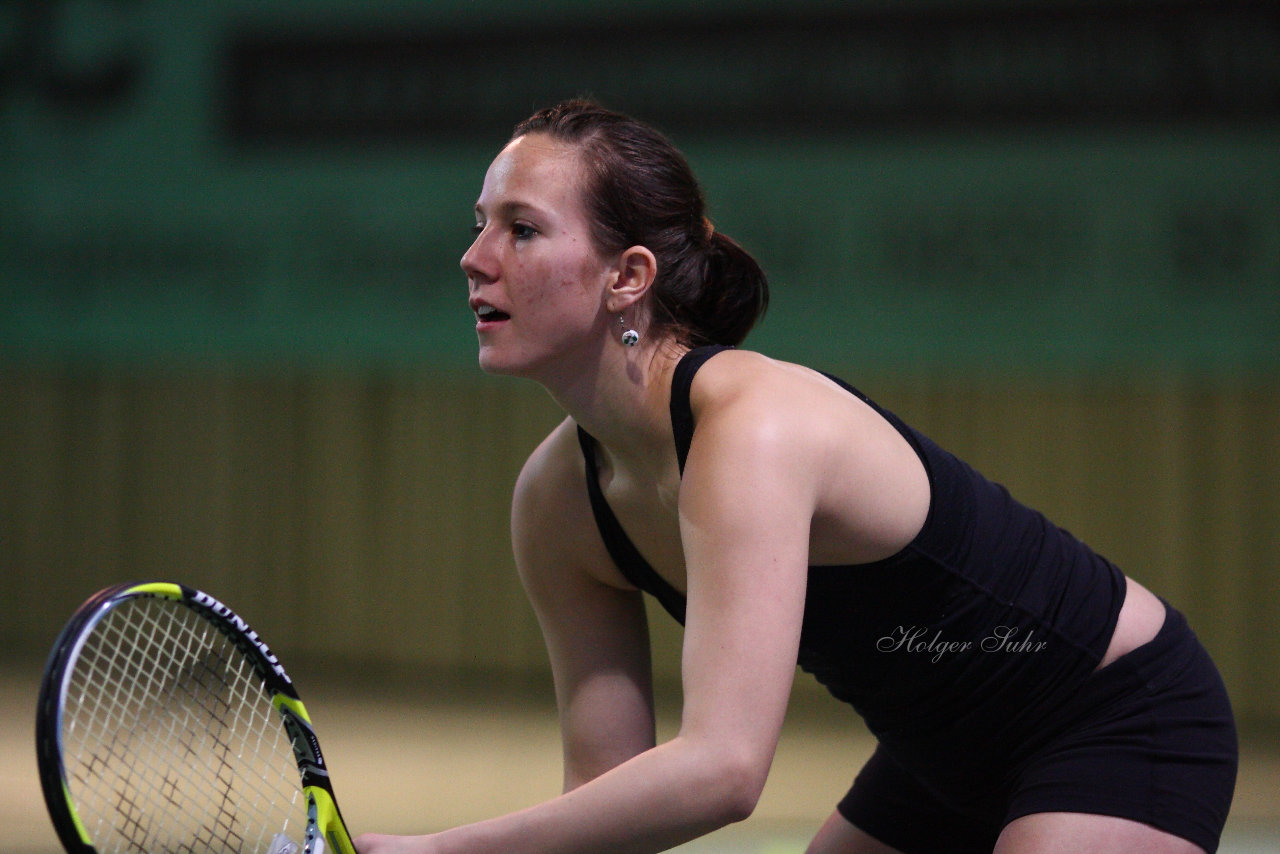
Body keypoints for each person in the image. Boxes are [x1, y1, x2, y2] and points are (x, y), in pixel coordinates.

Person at [354, 100, 1237, 854]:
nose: (476, 258)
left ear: (628, 277)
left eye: (521, 228)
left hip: (1114, 715)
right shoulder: (558, 507)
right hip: (935, 757)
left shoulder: (752, 428)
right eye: (479, 224)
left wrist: (439, 847)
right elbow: (608, 805)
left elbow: (725, 769)